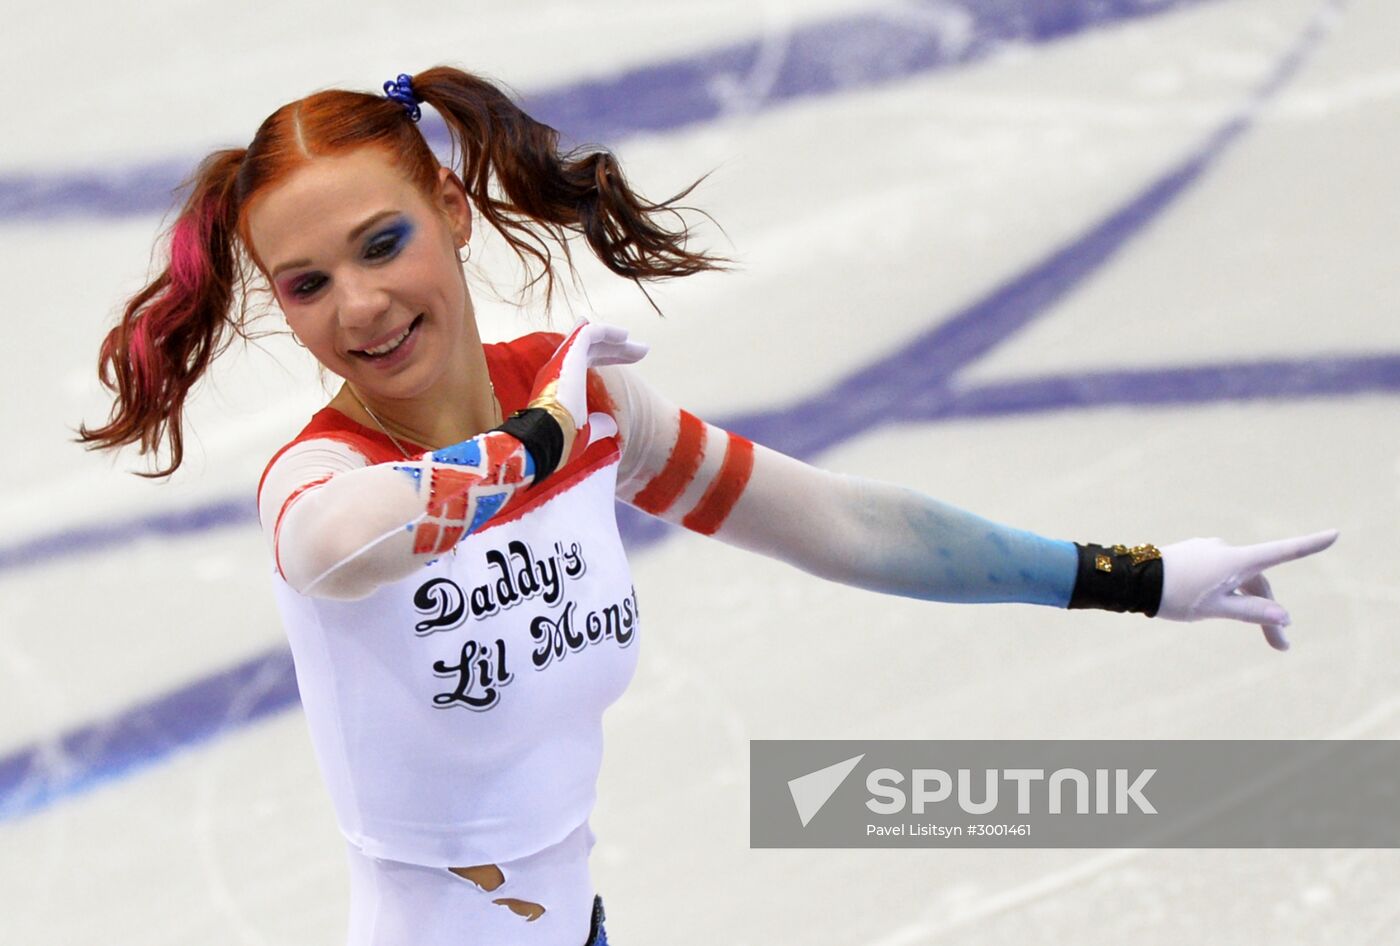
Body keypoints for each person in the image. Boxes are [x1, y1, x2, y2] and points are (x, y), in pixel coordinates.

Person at [77, 67, 1337, 946]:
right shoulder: (326, 471)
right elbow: (337, 542)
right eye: (303, 284)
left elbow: (847, 523)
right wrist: (539, 438)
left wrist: (1131, 575)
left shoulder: (590, 414)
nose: (355, 305)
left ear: (451, 214)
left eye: (381, 241)